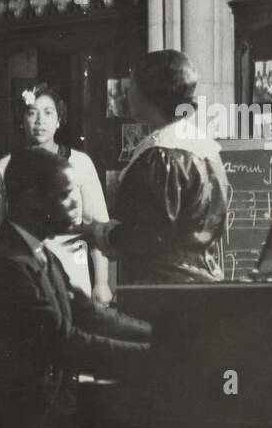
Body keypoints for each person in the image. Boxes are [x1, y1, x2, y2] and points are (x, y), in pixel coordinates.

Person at [0, 150, 150, 428]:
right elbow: (63, 342)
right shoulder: (6, 264)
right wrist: (149, 356)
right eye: (65, 195)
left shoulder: (38, 254)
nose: (76, 203)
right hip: (17, 426)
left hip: (45, 406)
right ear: (30, 199)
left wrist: (155, 334)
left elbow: (89, 315)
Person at [79, 50, 231, 283]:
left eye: (133, 86)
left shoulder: (161, 155)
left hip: (164, 289)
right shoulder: (205, 150)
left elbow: (146, 237)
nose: (128, 93)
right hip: (203, 283)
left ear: (151, 94)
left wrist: (98, 232)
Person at [0, 83, 112, 302]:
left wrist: (101, 282)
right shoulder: (4, 168)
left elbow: (97, 224)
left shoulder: (80, 163)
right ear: (23, 121)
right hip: (22, 275)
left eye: (48, 113)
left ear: (59, 120)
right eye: (32, 113)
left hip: (73, 272)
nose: (40, 121)